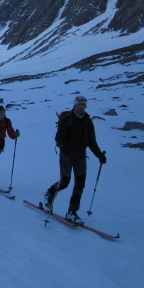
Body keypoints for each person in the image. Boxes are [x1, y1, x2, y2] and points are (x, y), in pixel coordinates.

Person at [44, 95, 106, 224]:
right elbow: (59, 138)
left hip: (81, 156)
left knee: (80, 183)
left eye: (84, 104)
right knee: (65, 182)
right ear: (75, 105)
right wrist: (64, 148)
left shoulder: (88, 121)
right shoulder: (67, 119)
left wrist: (100, 155)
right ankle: (50, 193)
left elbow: (91, 141)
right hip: (67, 155)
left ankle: (72, 211)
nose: (82, 107)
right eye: (80, 104)